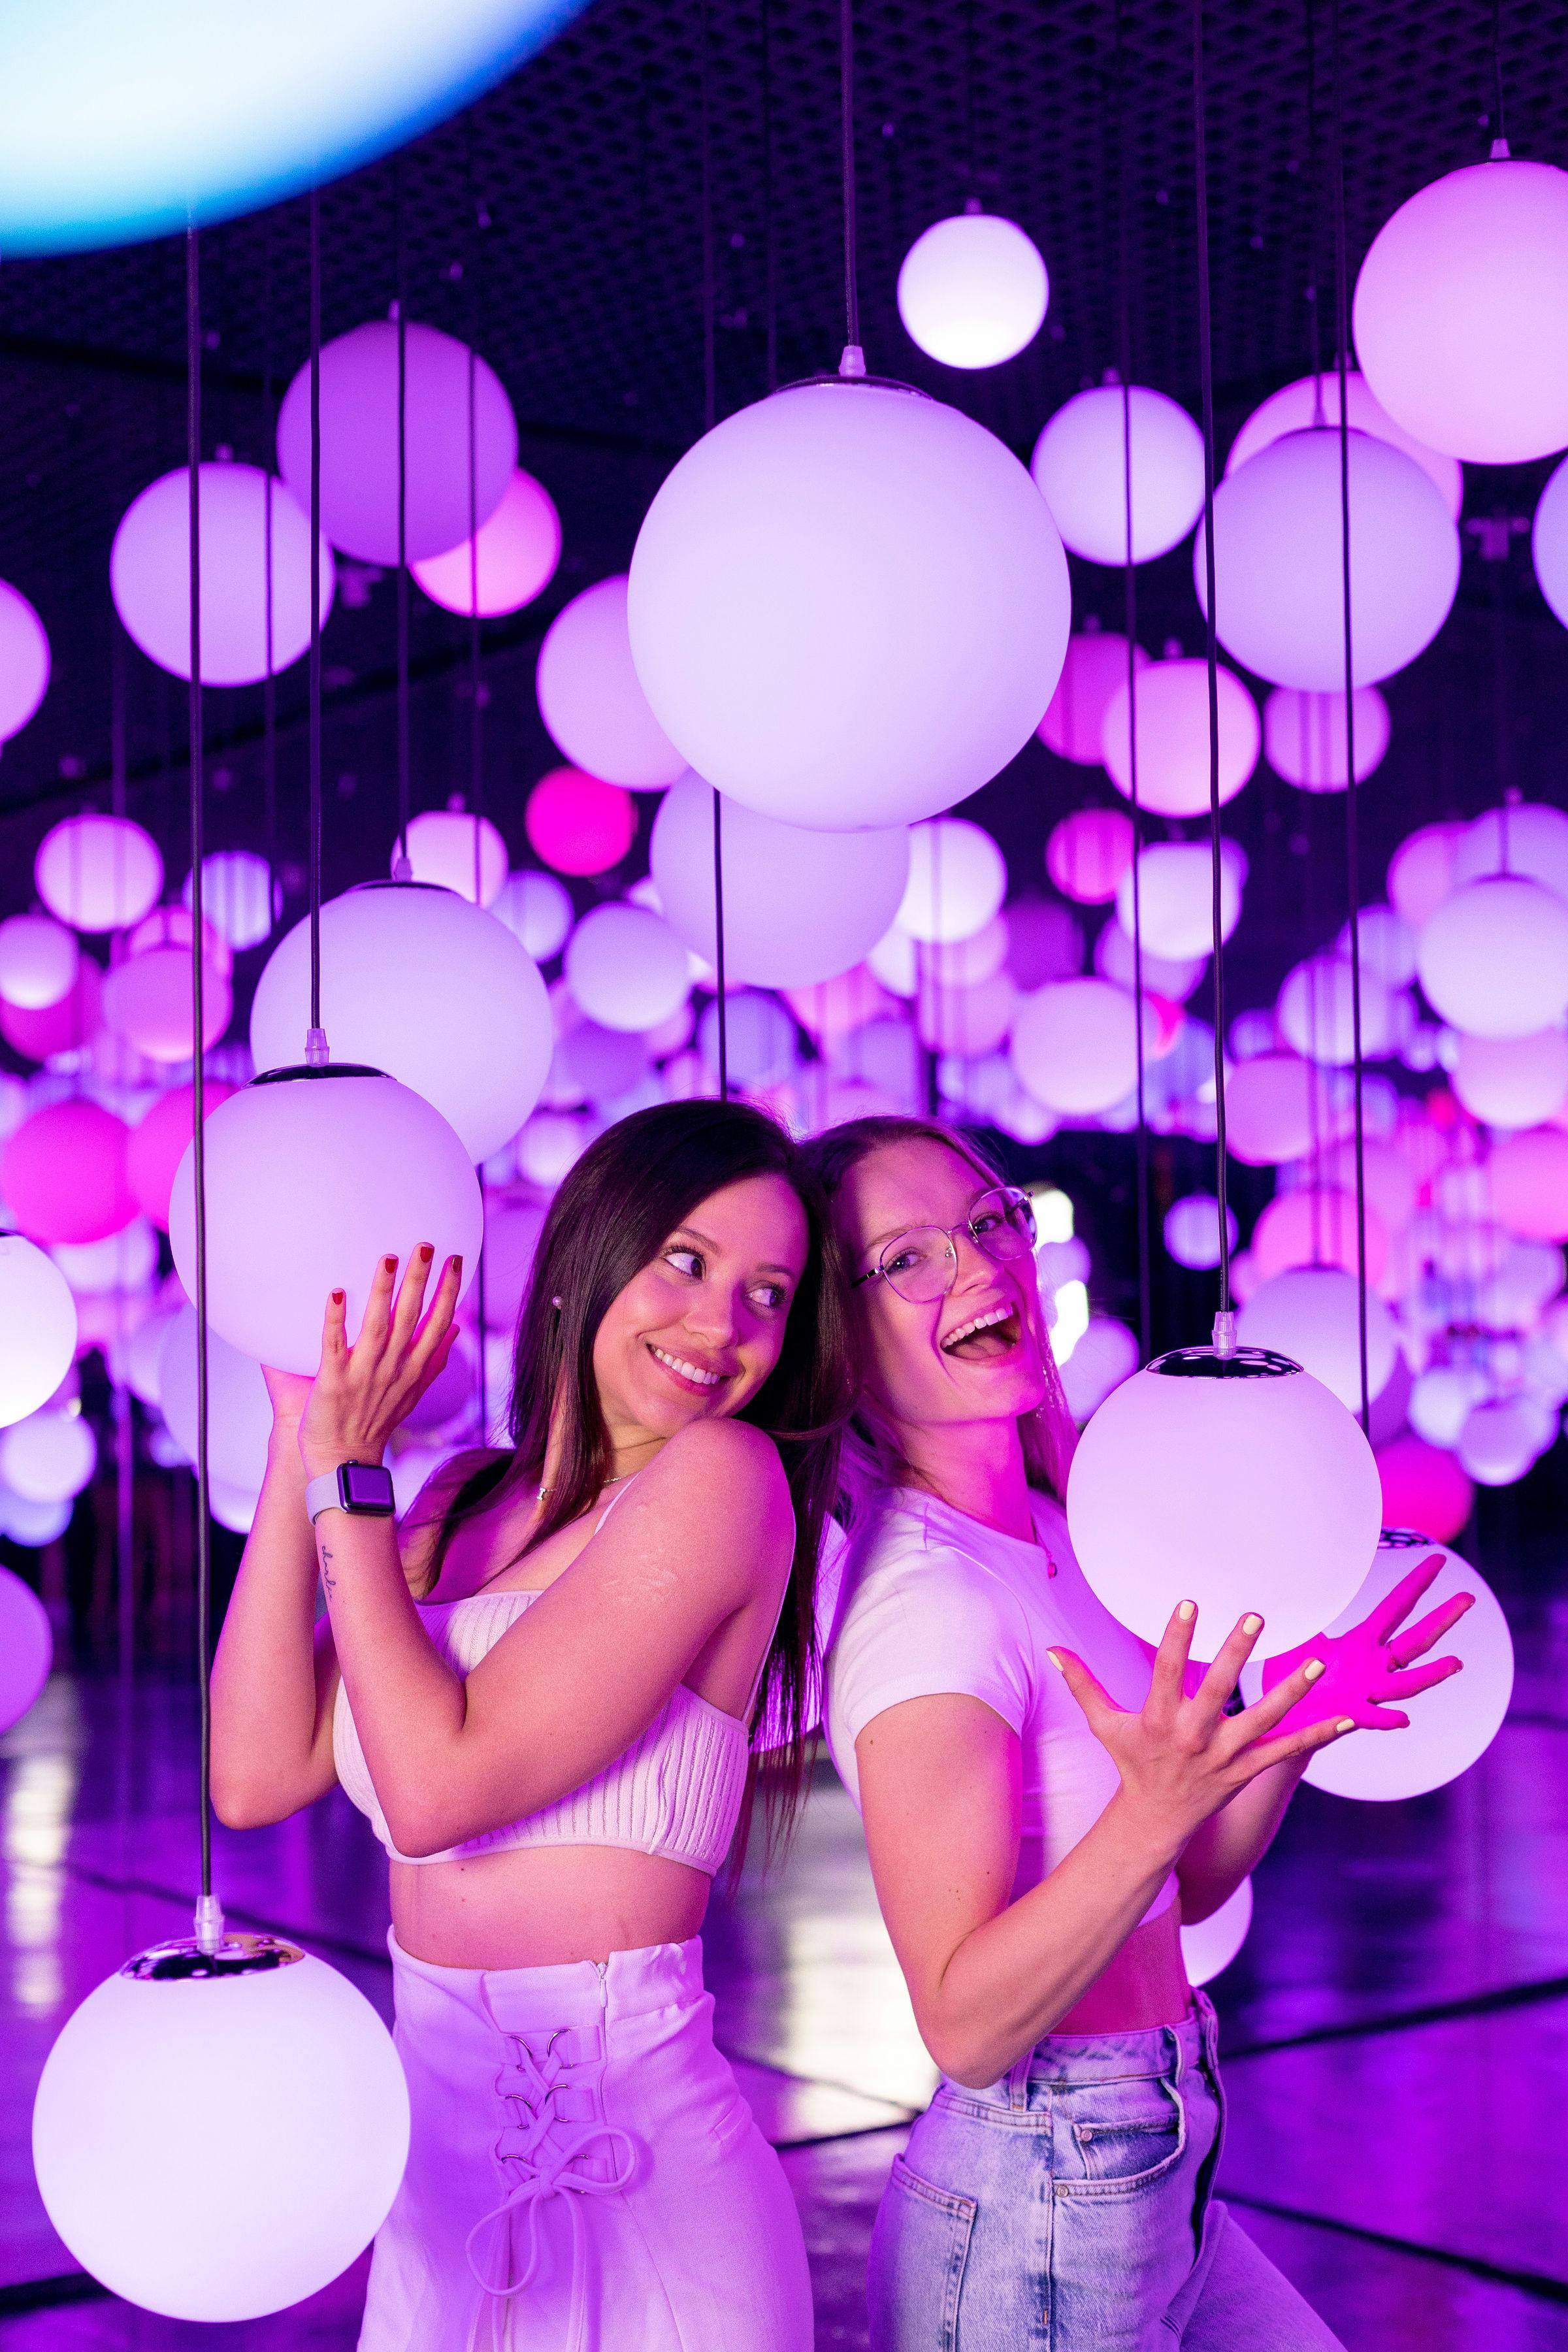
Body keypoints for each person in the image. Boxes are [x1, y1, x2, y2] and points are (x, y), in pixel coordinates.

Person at [801, 1114, 1473, 2352]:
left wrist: (1291, 1725)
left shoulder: (1059, 1536)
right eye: (904, 1259)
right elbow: (968, 2024)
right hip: (1040, 2182)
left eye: (992, 1218)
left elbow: (1189, 1879)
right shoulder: (923, 1602)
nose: (979, 1263)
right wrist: (1158, 1803)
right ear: (836, 1343)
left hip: (1160, 2137)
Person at [211, 1099, 854, 2352]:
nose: (722, 1327)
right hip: (437, 2202)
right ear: (590, 1255)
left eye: (769, 1295)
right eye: (687, 1260)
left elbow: (432, 1796)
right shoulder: (451, 1500)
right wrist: (305, 1429)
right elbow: (252, 1772)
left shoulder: (727, 1483)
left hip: (649, 2198)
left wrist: (349, 1484)